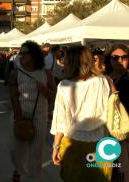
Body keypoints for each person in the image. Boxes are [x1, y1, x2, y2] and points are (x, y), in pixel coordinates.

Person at [51, 45, 112, 182]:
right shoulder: (104, 81)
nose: (62, 62)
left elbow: (61, 121)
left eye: (65, 59)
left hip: (73, 143)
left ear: (72, 62)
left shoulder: (64, 85)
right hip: (101, 143)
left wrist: (56, 147)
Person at [9, 41, 56, 182]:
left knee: (36, 154)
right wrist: (18, 117)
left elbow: (56, 94)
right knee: (15, 150)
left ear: (34, 55)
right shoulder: (15, 73)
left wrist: (45, 91)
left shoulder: (46, 74)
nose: (21, 55)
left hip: (39, 118)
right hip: (19, 116)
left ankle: (33, 178)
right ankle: (19, 169)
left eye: (25, 53)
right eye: (20, 53)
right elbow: (13, 97)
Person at [105, 43, 129, 182]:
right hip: (105, 133)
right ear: (109, 59)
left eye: (124, 57)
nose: (119, 60)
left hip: (124, 136)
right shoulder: (102, 80)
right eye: (115, 57)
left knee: (123, 172)